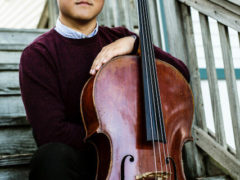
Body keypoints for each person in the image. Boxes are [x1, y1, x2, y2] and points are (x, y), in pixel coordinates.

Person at [19, 0, 190, 179]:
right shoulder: (38, 55)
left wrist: (136, 44)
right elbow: (51, 132)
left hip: (142, 161)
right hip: (86, 165)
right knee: (51, 157)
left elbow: (180, 75)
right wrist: (119, 140)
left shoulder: (122, 39)